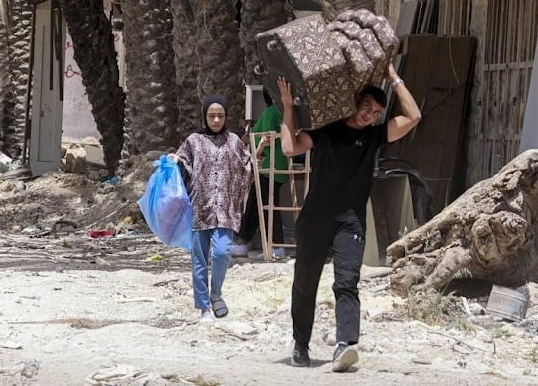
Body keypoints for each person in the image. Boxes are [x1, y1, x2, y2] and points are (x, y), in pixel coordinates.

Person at [278, 64, 421, 372]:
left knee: (347, 282)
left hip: (350, 221)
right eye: (366, 107)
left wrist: (394, 78)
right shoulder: (326, 130)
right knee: (305, 283)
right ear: (355, 100)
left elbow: (414, 117)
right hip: (315, 218)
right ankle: (301, 343)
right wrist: (288, 108)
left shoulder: (374, 136)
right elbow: (289, 147)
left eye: (375, 113)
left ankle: (345, 345)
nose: (368, 115)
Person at [169, 95, 260, 323]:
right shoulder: (193, 141)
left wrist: (257, 154)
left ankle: (216, 294)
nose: (216, 120)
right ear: (205, 116)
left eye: (220, 116)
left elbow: (246, 168)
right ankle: (204, 308)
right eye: (212, 116)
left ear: (226, 117)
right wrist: (177, 161)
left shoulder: (234, 141)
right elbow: (183, 163)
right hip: (200, 210)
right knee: (199, 260)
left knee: (221, 253)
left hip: (225, 210)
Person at [231, 91, 292, 259]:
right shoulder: (284, 113)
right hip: (282, 163)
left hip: (268, 164)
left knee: (267, 205)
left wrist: (249, 137)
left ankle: (277, 245)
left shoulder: (270, 112)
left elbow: (264, 138)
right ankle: (243, 241)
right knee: (256, 203)